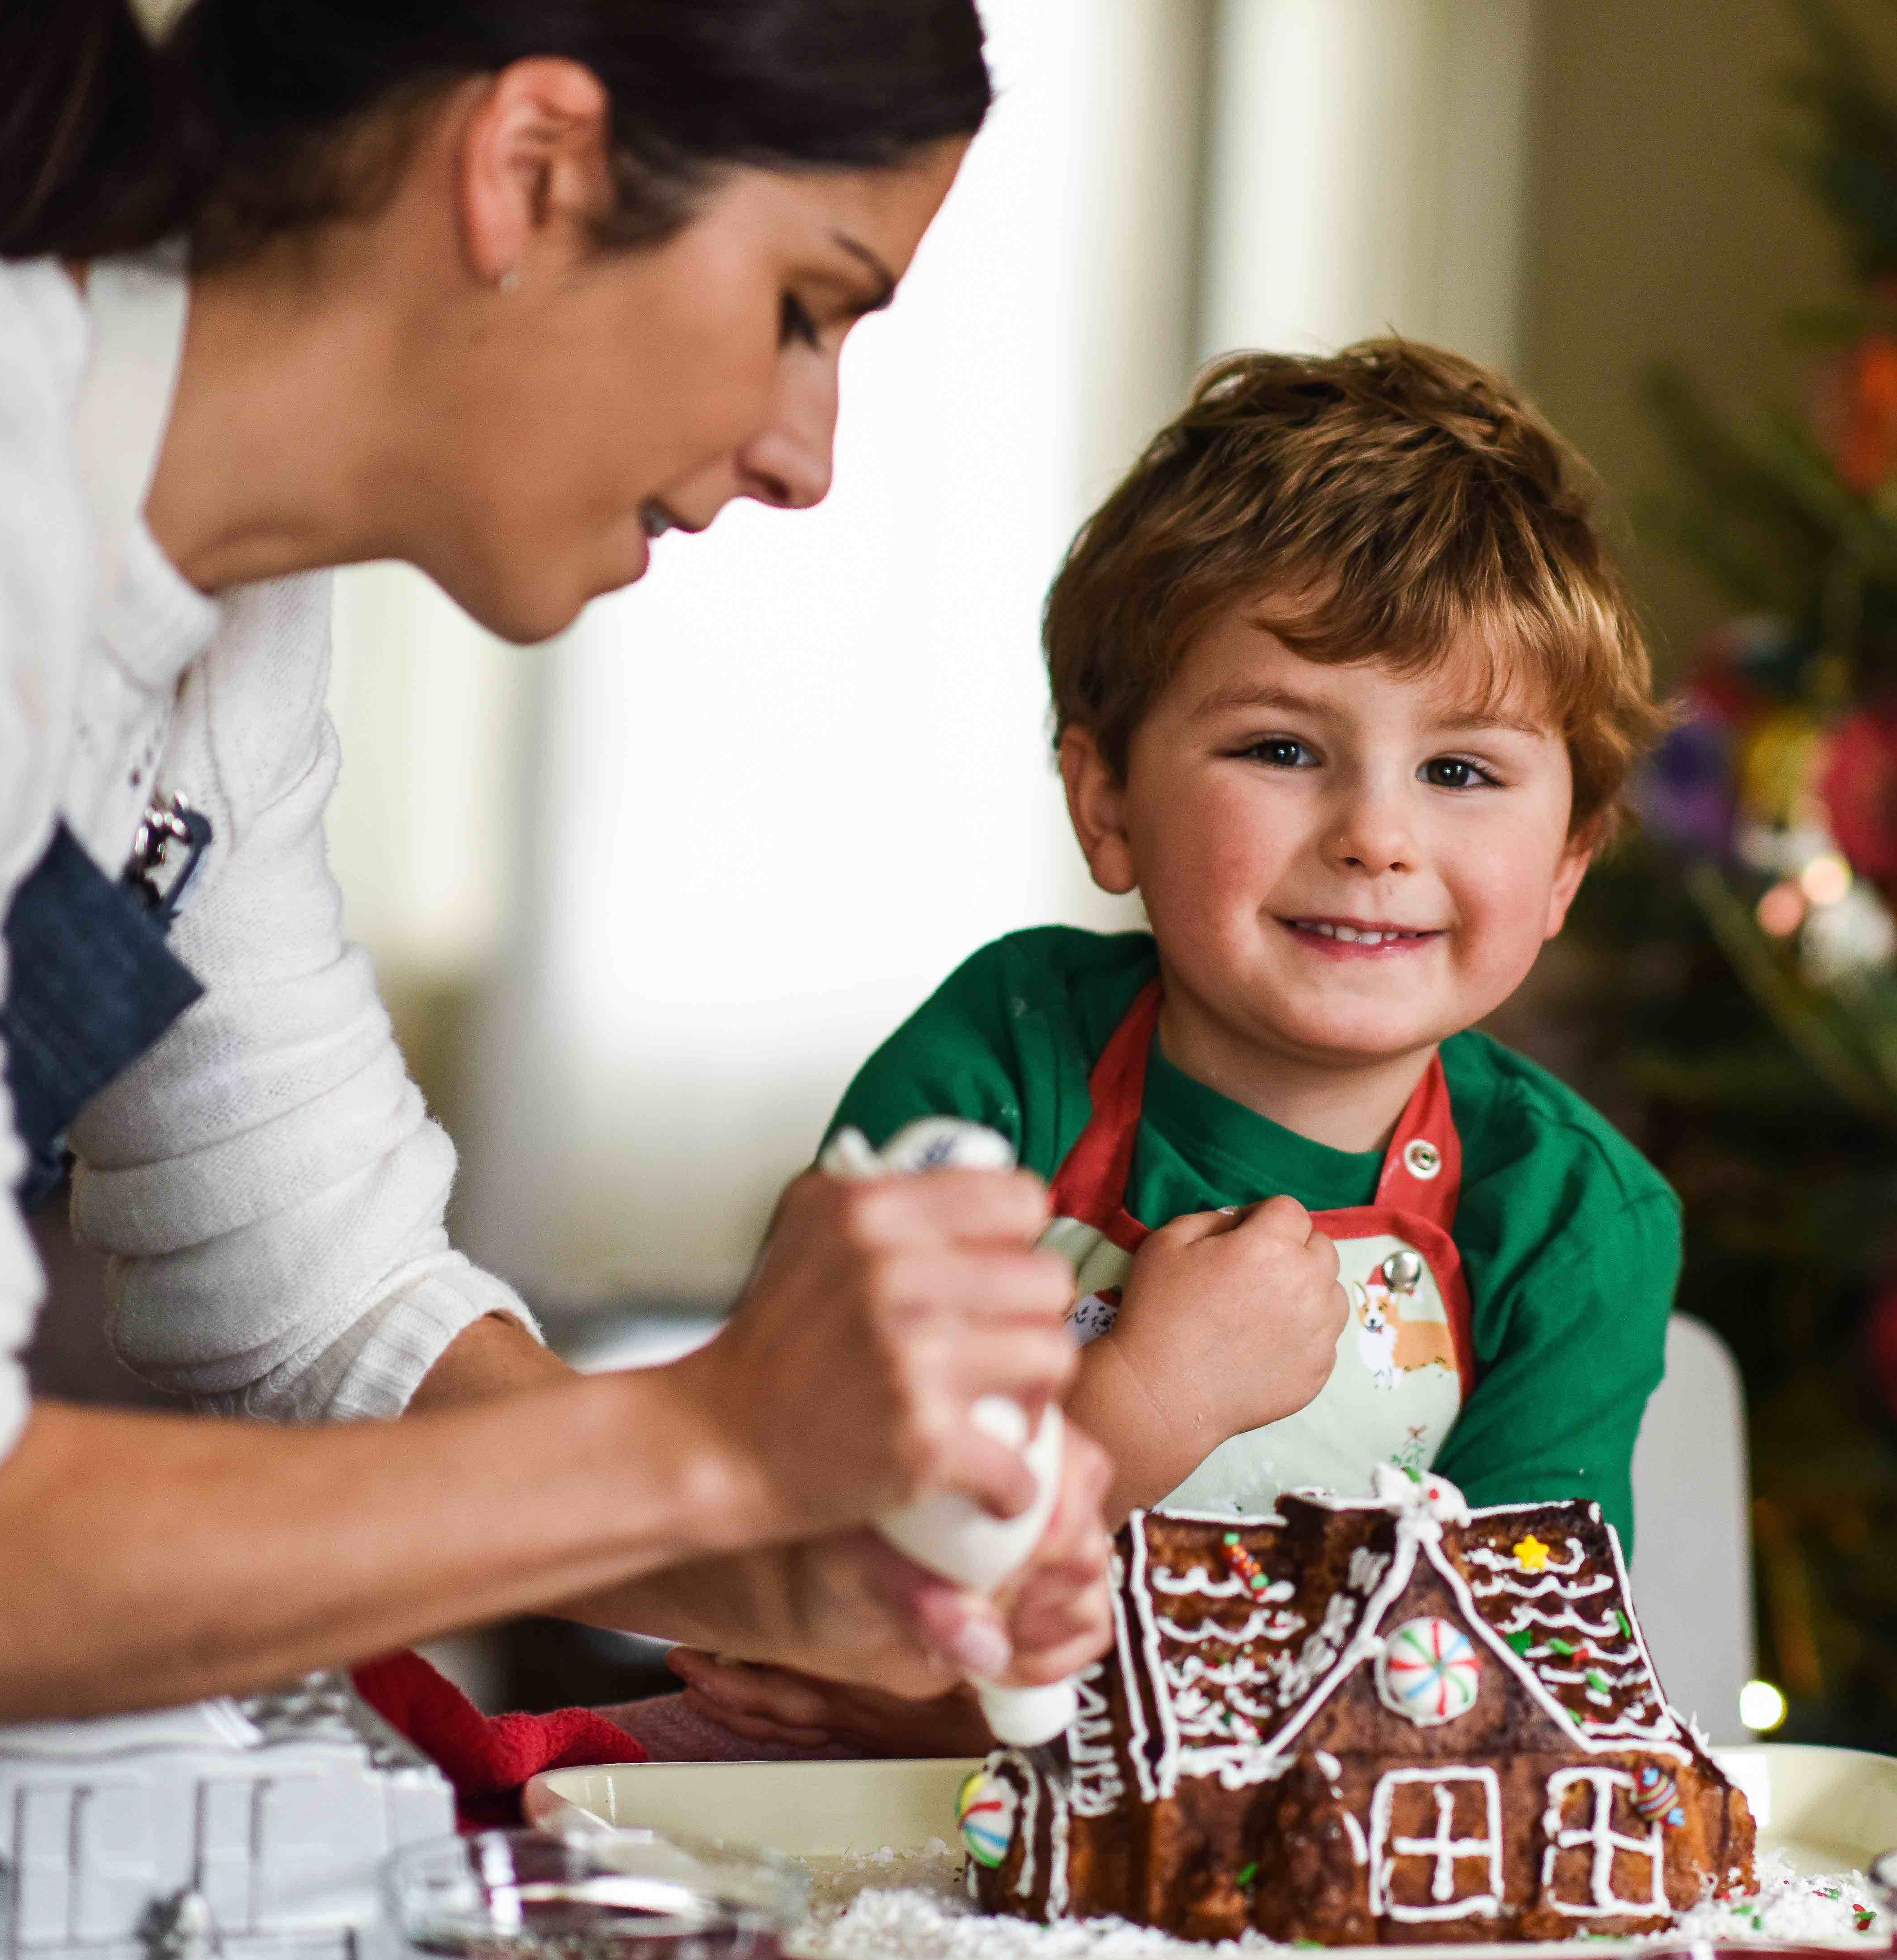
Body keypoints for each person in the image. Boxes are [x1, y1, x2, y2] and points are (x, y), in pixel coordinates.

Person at [0, 0, 1113, 1728]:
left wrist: (800, 1570)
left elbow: (317, 1302)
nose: (806, 455)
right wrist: (710, 1447)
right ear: (532, 171)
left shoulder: (220, 623)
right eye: (808, 309)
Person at [677, 341, 1682, 1751]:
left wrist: (952, 1700)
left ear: (1570, 861)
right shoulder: (999, 1064)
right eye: (1281, 748)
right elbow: (815, 1537)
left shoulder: (1574, 1223)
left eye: (1461, 772)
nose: (1377, 837)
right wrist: (1150, 1399)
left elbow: (1489, 1707)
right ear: (1108, 803)